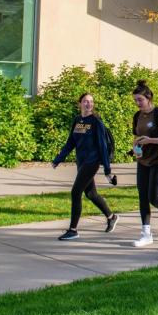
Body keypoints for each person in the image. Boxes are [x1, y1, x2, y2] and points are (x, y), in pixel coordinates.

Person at [52, 93, 119, 241]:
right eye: (85, 101)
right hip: (81, 162)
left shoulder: (96, 122)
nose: (88, 104)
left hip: (92, 162)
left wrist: (107, 170)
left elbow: (102, 146)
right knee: (91, 193)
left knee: (76, 192)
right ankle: (111, 216)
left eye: (91, 102)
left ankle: (73, 230)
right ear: (79, 103)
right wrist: (59, 158)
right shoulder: (77, 120)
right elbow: (71, 142)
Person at [129, 81, 158, 247]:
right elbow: (137, 137)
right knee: (142, 197)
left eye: (140, 100)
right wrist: (135, 148)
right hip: (143, 161)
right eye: (135, 100)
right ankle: (146, 234)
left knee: (154, 198)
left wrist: (149, 141)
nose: (137, 103)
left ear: (149, 98)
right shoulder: (137, 116)